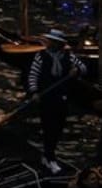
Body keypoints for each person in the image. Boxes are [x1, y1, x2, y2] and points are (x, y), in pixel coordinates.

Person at [27, 29, 90, 173]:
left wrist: (76, 71)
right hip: (46, 98)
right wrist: (34, 92)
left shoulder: (69, 56)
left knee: (58, 128)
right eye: (50, 41)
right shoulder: (41, 56)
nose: (49, 43)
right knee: (49, 127)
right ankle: (49, 157)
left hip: (62, 97)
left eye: (52, 42)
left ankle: (48, 155)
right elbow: (33, 75)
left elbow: (84, 68)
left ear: (58, 43)